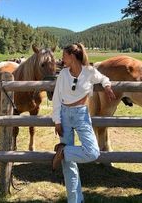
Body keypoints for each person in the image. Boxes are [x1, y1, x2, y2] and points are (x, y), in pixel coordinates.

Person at [52, 43, 115, 203]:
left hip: (81, 115)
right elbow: (56, 99)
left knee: (92, 152)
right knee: (68, 166)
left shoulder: (89, 71)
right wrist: (57, 121)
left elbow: (103, 78)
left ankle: (63, 152)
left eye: (64, 55)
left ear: (72, 56)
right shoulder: (63, 74)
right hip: (64, 115)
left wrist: (107, 86)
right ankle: (74, 200)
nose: (62, 58)